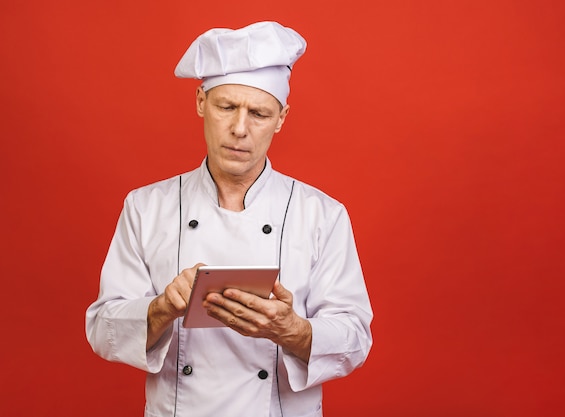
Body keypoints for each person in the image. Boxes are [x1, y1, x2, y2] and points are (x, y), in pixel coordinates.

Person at [85, 21, 373, 417]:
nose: (240, 129)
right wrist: (163, 307)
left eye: (258, 113)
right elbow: (102, 330)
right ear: (201, 101)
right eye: (226, 107)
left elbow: (355, 339)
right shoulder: (146, 207)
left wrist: (292, 329)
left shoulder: (322, 214)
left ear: (282, 117)